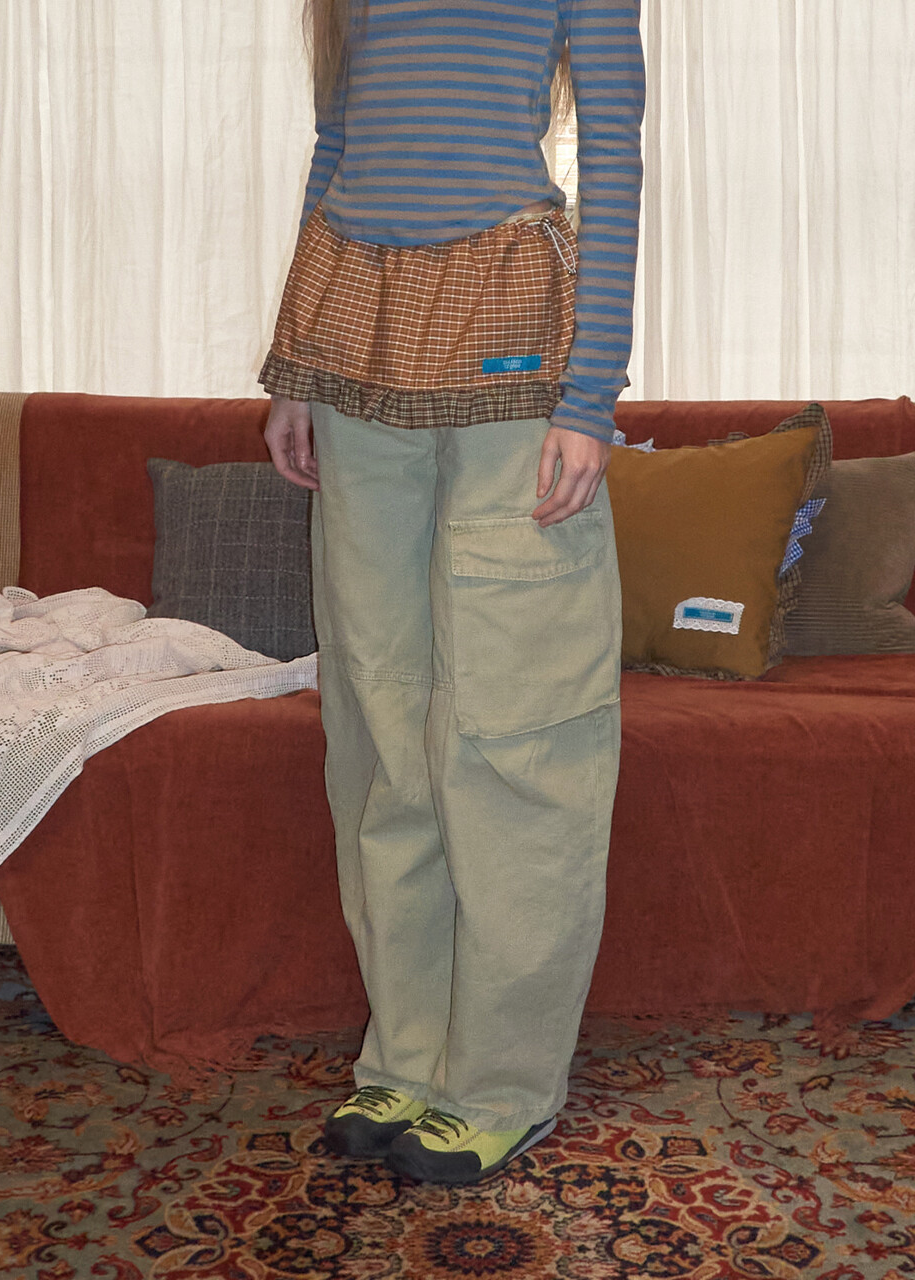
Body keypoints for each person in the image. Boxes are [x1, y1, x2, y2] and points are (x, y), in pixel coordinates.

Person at [261, 0, 645, 1186]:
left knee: (512, 726)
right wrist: (294, 366)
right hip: (353, 334)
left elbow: (615, 151)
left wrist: (590, 395)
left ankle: (502, 1080)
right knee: (380, 717)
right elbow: (338, 142)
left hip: (511, 329)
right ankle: (408, 1058)